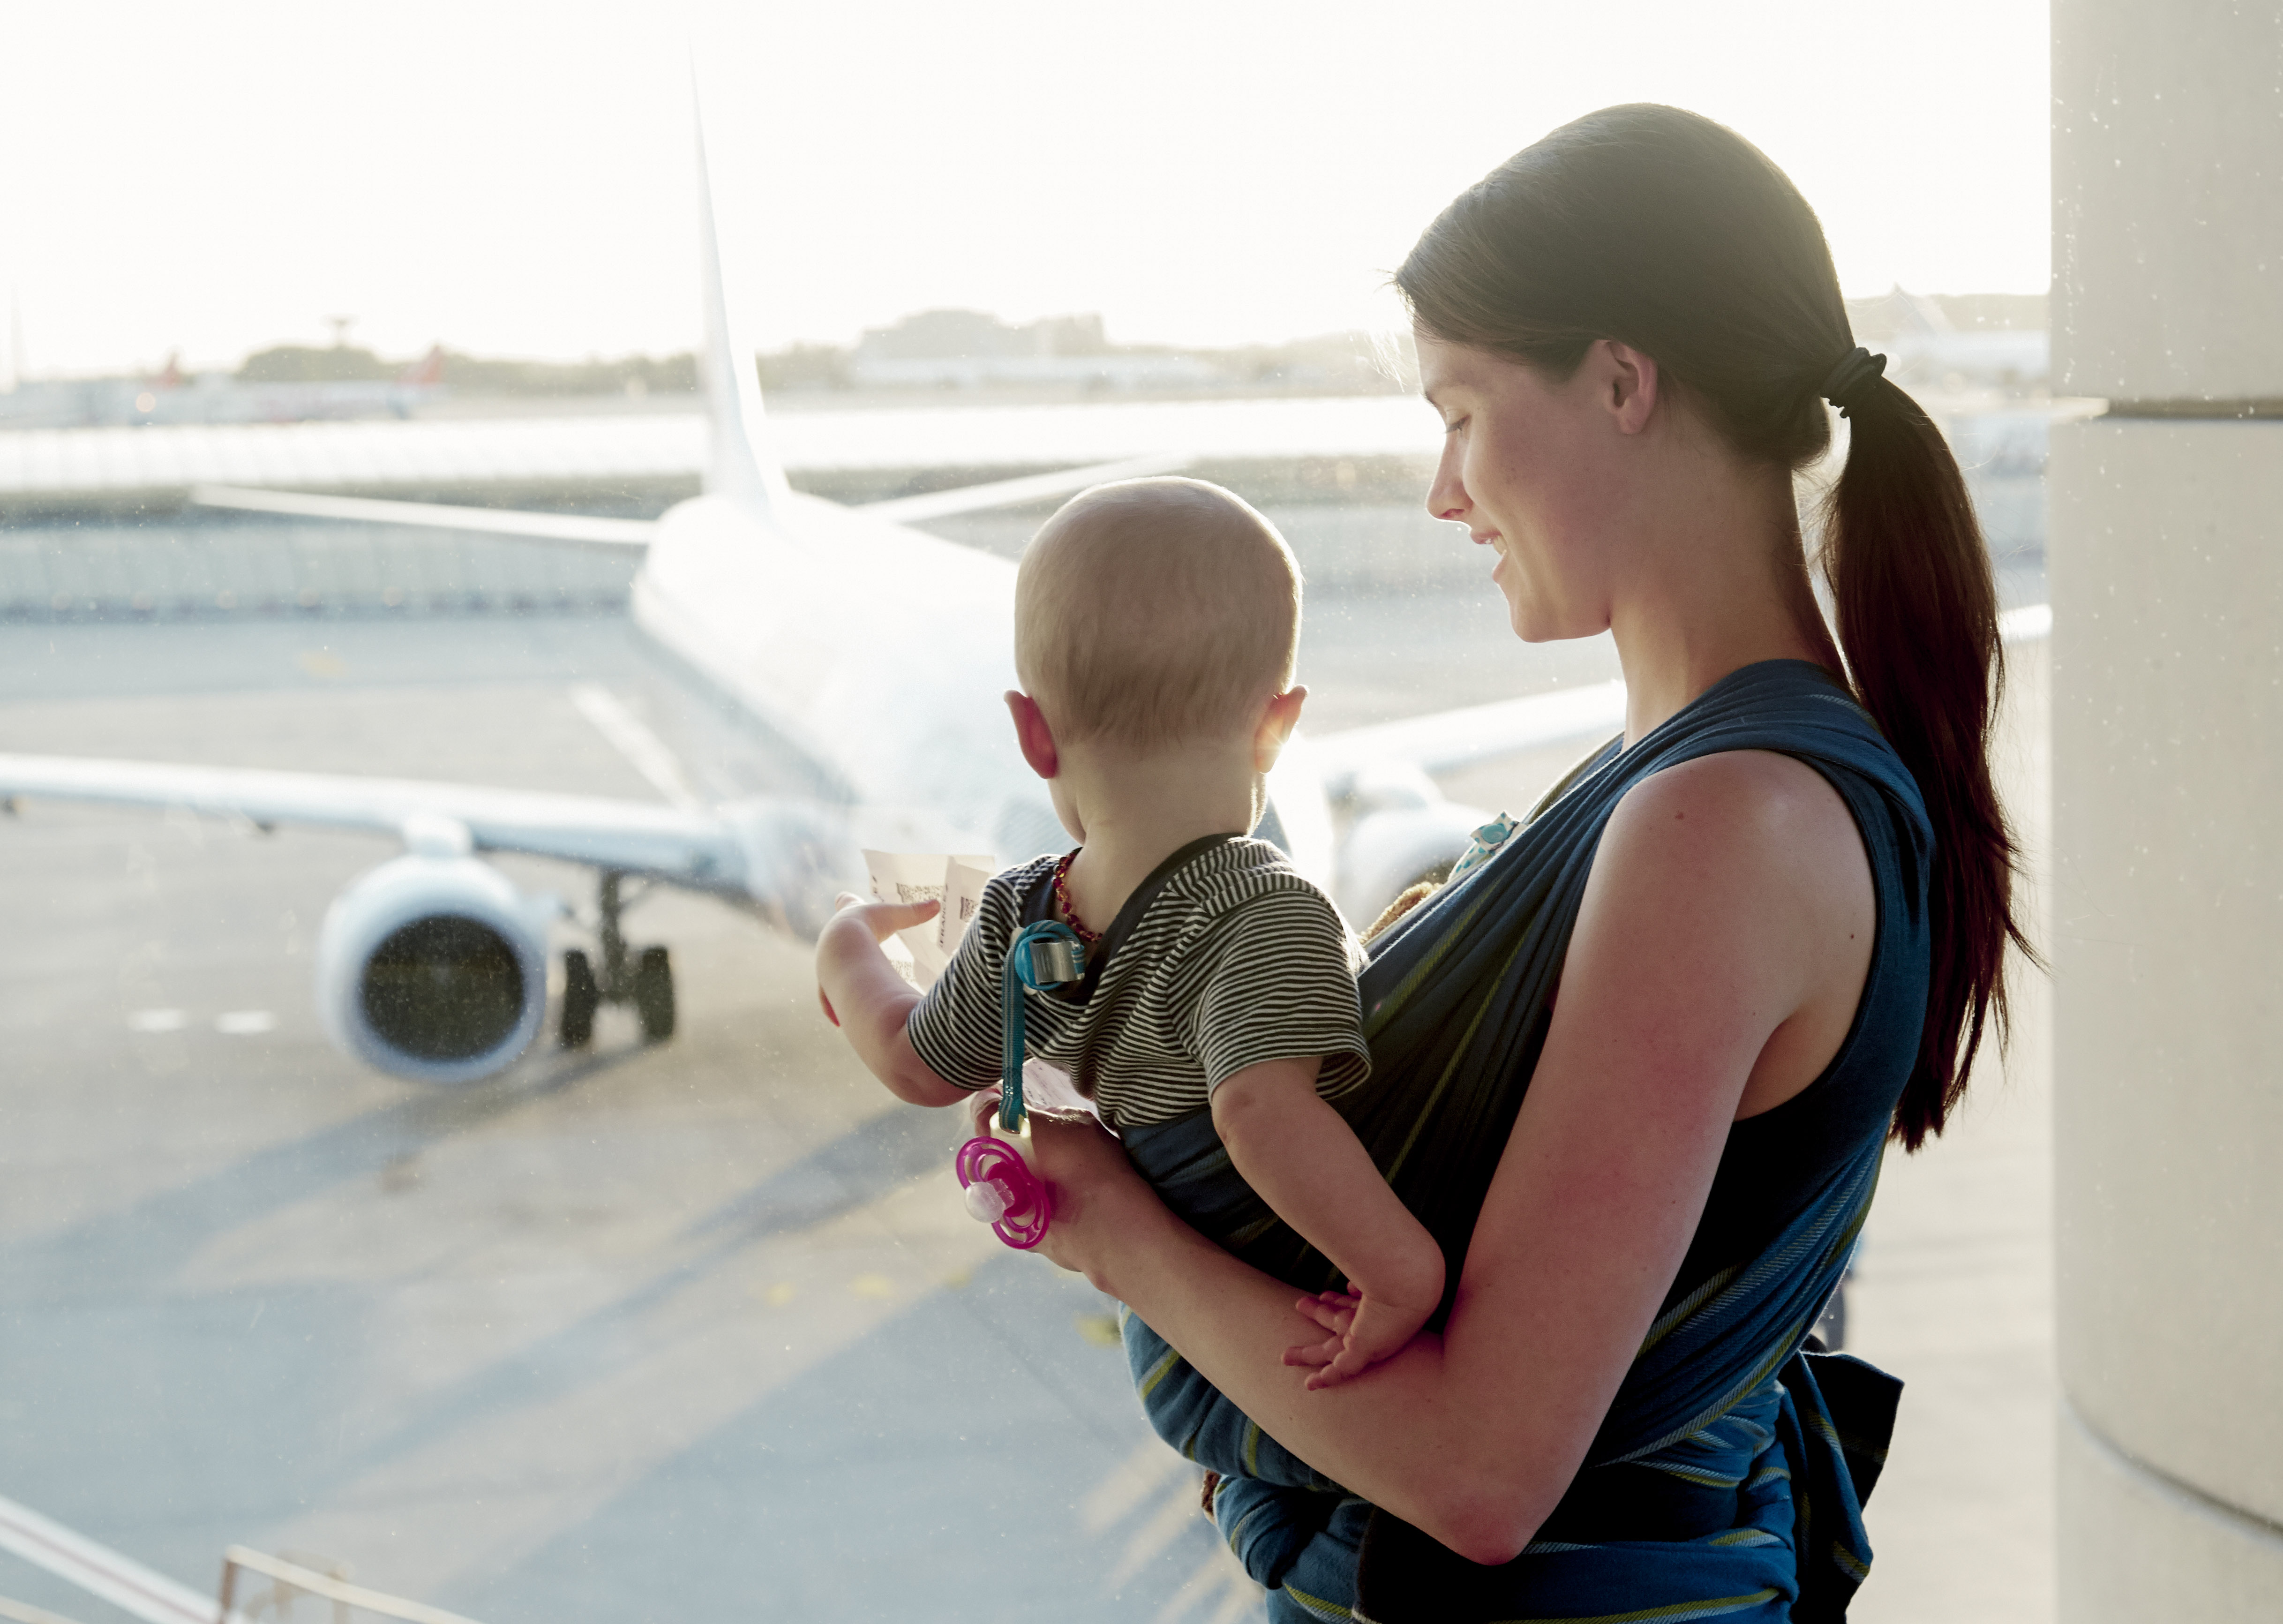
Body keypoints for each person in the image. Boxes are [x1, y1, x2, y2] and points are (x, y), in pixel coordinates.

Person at [1014, 104, 2030, 1623]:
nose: (1444, 490)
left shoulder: (1721, 823)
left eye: (1463, 411)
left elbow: (1482, 1472)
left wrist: (1108, 1230)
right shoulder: (1694, 777)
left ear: (1620, 380)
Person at [814, 476, 1447, 1386]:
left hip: (1178, 1344)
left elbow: (917, 1064)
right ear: (1277, 726)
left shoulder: (1016, 913)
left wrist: (847, 954)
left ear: (1034, 735)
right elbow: (1258, 1108)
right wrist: (1399, 1272)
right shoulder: (1269, 910)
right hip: (1274, 1313)